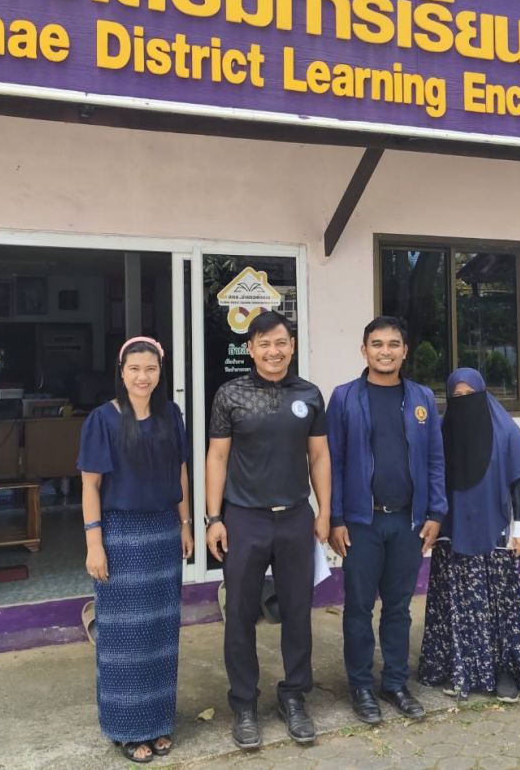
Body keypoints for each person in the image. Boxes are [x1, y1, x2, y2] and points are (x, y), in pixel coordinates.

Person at [204, 310, 331, 750]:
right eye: (264, 344)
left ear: (291, 346)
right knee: (240, 614)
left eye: (280, 343)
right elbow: (217, 457)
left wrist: (324, 512)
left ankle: (294, 696)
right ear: (250, 349)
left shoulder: (309, 395)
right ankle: (244, 704)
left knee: (297, 611)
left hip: (295, 516)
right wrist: (214, 518)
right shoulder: (230, 395)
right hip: (244, 519)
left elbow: (319, 457)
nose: (273, 351)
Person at [77, 336, 194, 764]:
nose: (143, 377)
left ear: (160, 372)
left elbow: (180, 471)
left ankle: (158, 721)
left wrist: (185, 524)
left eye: (151, 369)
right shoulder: (102, 420)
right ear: (121, 372)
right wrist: (94, 543)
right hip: (121, 536)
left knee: (161, 632)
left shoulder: (171, 415)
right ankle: (127, 728)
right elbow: (90, 485)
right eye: (134, 369)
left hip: (163, 532)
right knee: (124, 637)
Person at [327, 316, 446, 724]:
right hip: (361, 523)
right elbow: (333, 462)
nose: (385, 351)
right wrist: (335, 517)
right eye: (377, 344)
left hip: (408, 523)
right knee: (358, 608)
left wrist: (436, 512)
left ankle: (395, 682)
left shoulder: (422, 397)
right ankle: (360, 686)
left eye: (393, 344)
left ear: (405, 351)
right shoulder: (344, 398)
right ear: (364, 350)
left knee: (398, 608)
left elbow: (435, 459)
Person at [418, 367, 520, 703]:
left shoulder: (506, 431)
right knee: (455, 606)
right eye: (456, 396)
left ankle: (504, 673)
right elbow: (431, 477)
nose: (464, 402)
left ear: (483, 394)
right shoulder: (442, 432)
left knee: (499, 608)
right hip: (451, 536)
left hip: (495, 536)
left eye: (470, 395)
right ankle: (458, 668)